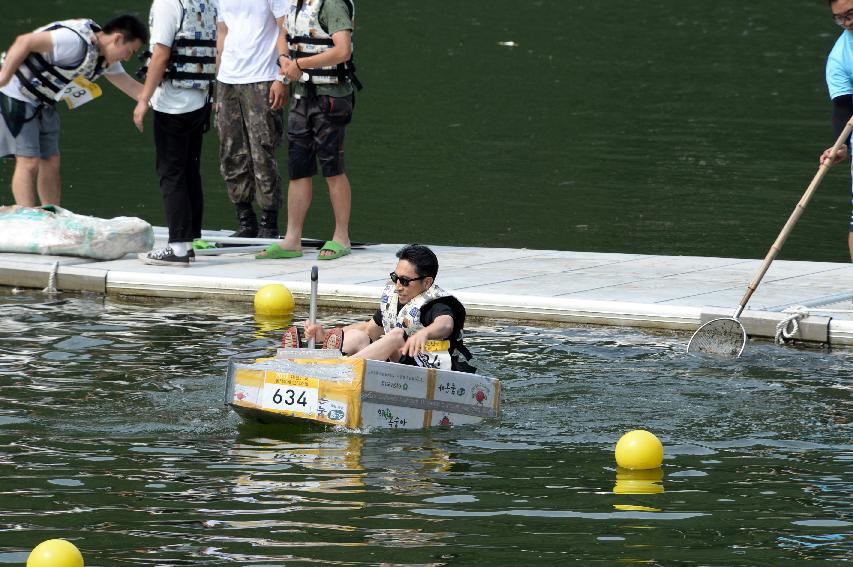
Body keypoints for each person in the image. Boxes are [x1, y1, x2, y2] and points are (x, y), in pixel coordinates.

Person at [0, 15, 148, 207]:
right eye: (129, 51)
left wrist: (164, 103)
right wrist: (3, 77)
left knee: (51, 161)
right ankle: (27, 218)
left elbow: (134, 89)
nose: (128, 58)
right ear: (117, 38)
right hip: (16, 92)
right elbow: (24, 41)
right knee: (29, 161)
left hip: (44, 100)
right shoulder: (73, 41)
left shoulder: (105, 60)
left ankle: (52, 215)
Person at [256, 0, 361, 261]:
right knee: (298, 167)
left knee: (332, 167)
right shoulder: (296, 4)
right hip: (302, 96)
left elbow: (343, 50)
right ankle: (292, 239)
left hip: (331, 97)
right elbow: (284, 34)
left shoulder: (332, 5)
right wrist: (283, 63)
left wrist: (301, 65)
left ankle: (341, 236)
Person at [286, 244, 476, 372]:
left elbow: (446, 324)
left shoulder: (437, 304)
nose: (398, 285)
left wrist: (424, 333)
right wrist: (325, 333)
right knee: (359, 336)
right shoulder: (396, 299)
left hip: (431, 370)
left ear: (427, 282)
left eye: (405, 281)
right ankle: (313, 361)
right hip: (400, 368)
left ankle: (336, 369)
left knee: (395, 336)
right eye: (395, 278)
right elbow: (370, 329)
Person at [133, 0, 217, 266]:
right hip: (200, 98)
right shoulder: (209, 2)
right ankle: (189, 240)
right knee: (190, 170)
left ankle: (178, 247)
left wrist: (143, 99)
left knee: (171, 173)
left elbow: (160, 54)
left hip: (173, 102)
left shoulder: (168, 3)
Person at [215, 0, 288, 239]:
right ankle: (246, 220)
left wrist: (282, 76)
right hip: (228, 78)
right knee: (230, 150)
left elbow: (284, 29)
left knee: (262, 150)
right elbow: (222, 32)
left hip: (263, 76)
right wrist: (215, 83)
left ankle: (269, 222)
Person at [822, 0, 853, 262]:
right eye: (840, 18)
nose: (847, 22)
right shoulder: (840, 57)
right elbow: (843, 106)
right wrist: (841, 144)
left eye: (851, 14)